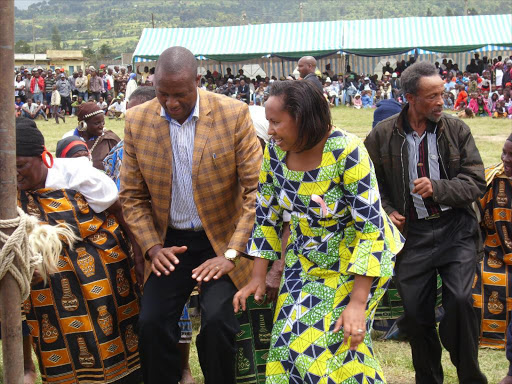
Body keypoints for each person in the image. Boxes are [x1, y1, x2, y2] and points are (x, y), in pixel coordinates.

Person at [233, 80, 404, 383]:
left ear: (304, 118)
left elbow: (371, 228)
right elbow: (267, 216)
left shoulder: (346, 150)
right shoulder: (275, 152)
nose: (269, 130)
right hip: (305, 259)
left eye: (276, 122)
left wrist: (357, 304)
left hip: (356, 262)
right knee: (287, 345)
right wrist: (258, 277)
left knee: (328, 346)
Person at [119, 46, 262, 384]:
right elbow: (132, 196)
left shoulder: (233, 114)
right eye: (162, 93)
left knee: (217, 323)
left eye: (179, 94)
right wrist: (153, 247)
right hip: (171, 245)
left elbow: (257, 192)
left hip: (222, 241)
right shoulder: (137, 121)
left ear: (198, 81)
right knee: (152, 324)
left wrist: (231, 253)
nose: (170, 103)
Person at [364, 61, 488, 384]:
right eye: (432, 96)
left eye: (441, 94)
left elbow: (476, 183)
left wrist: (439, 188)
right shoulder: (382, 135)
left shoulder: (456, 130)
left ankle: (470, 376)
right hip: (413, 235)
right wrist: (388, 210)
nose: (440, 102)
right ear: (410, 98)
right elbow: (367, 183)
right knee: (417, 319)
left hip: (455, 231)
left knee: (459, 303)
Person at [15, 117, 142, 384]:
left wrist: (139, 257)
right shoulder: (8, 190)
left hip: (102, 270)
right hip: (47, 288)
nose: (14, 175)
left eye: (20, 166)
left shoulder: (78, 174)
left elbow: (118, 211)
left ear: (44, 158)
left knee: (113, 335)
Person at [473, 134, 512, 354]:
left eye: (511, 155)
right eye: (504, 153)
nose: (505, 159)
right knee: (479, 278)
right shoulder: (492, 180)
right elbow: (472, 218)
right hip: (494, 253)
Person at [63, 102, 121, 170]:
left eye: (103, 122)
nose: (101, 126)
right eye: (97, 123)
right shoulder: (69, 138)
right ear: (83, 124)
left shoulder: (110, 139)